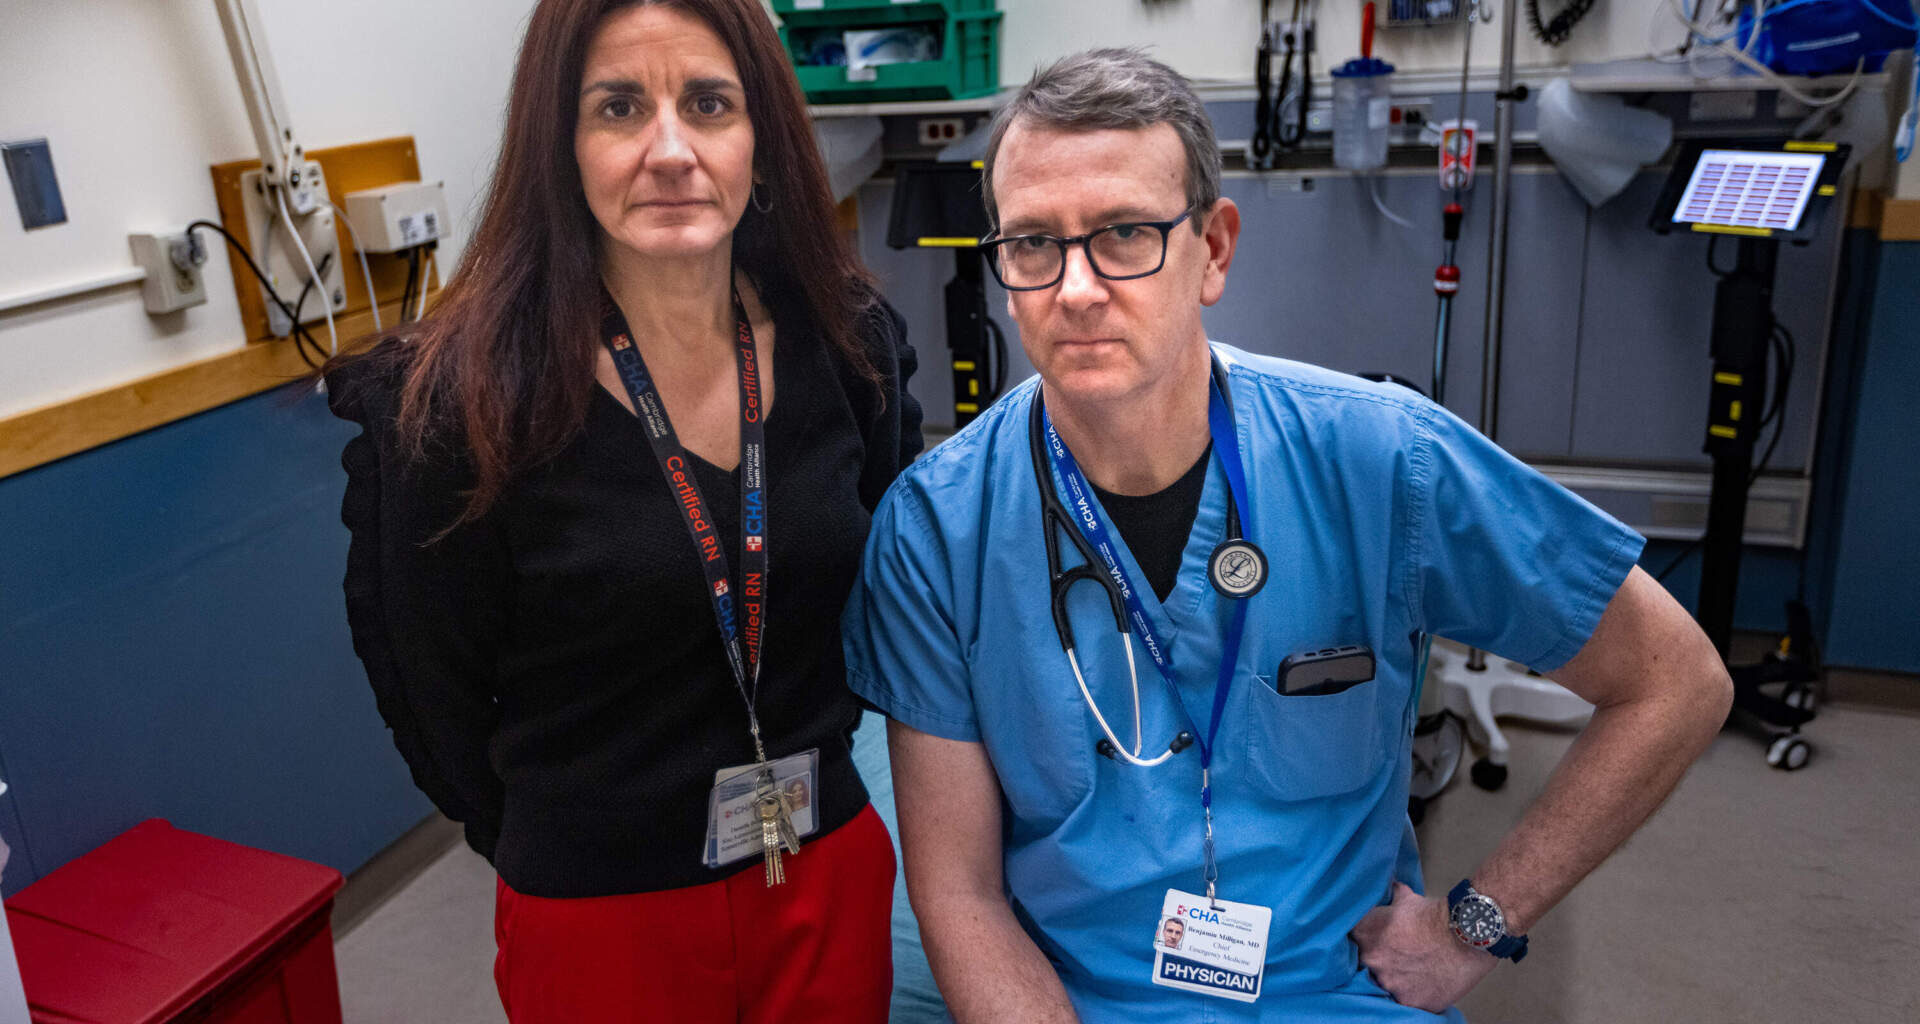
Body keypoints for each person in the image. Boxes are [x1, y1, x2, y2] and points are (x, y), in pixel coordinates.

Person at [843, 49, 1732, 1022]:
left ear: (1214, 250)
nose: (1077, 286)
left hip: (1334, 993)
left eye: (1126, 233)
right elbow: (962, 893)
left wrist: (1472, 925)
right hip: (1074, 1001)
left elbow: (1675, 681)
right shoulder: (936, 528)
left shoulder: (1382, 460)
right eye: (1033, 244)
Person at [325, 1, 920, 1020]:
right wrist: (574, 828)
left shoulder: (848, 345)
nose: (670, 149)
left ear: (762, 137)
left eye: (708, 103)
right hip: (600, 906)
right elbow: (433, 693)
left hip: (821, 867)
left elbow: (887, 597)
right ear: (562, 146)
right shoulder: (456, 401)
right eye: (618, 108)